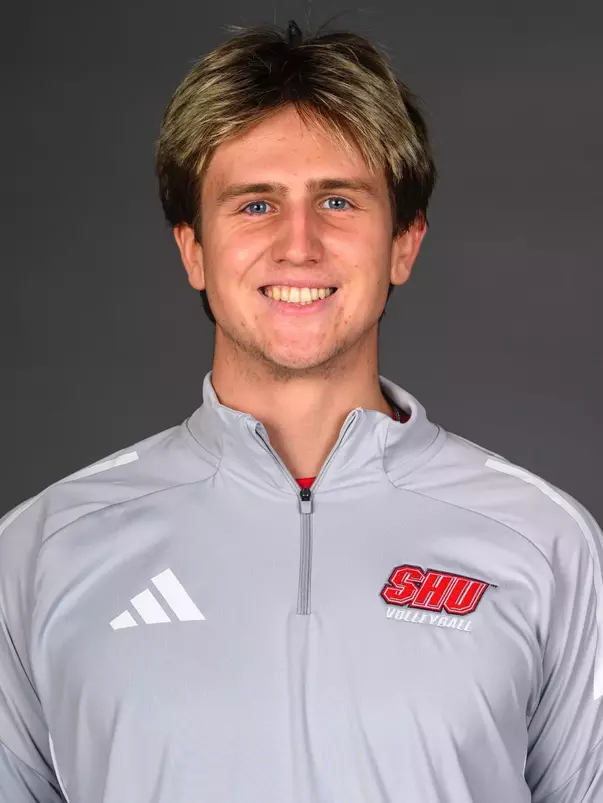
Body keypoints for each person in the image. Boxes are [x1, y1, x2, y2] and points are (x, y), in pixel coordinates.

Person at [0, 18, 601, 803]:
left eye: (339, 201)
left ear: (403, 244)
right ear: (192, 250)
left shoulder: (547, 543)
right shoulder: (42, 552)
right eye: (253, 205)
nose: (298, 244)